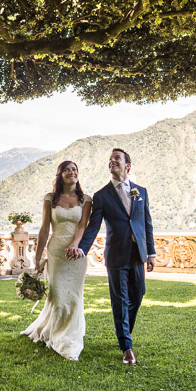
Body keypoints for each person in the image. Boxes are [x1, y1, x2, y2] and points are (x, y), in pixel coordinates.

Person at [77, 148, 155, 365]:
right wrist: (82, 248)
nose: (112, 161)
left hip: (138, 253)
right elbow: (93, 228)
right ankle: (126, 347)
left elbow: (146, 224)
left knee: (138, 294)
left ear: (127, 166)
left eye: (116, 159)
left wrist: (151, 253)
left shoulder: (141, 192)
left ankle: (124, 331)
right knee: (120, 300)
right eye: (110, 159)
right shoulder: (101, 196)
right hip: (116, 255)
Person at [21, 160, 92, 361]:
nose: (72, 172)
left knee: (74, 296)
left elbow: (82, 226)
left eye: (75, 170)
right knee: (58, 296)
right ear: (60, 175)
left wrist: (76, 246)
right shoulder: (50, 198)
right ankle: (56, 334)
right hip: (55, 252)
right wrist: (37, 255)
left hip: (76, 255)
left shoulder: (85, 200)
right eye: (67, 170)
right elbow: (44, 229)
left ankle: (70, 337)